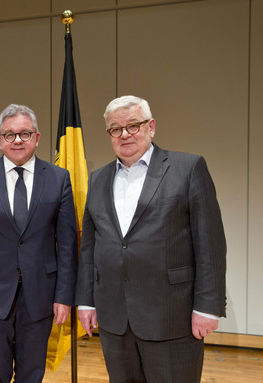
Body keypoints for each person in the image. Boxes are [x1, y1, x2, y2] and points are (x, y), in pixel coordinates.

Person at [75, 95, 227, 382]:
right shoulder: (98, 179)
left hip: (172, 317)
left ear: (151, 126)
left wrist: (207, 306)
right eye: (115, 129)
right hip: (115, 320)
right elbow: (90, 248)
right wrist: (86, 301)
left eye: (133, 125)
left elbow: (210, 245)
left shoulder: (188, 168)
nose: (125, 134)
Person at [0, 104, 78, 382]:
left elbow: (68, 244)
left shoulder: (58, 179)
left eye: (25, 133)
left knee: (32, 375)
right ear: (0, 141)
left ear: (37, 137)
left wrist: (64, 296)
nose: (18, 140)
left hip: (41, 298)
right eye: (10, 135)